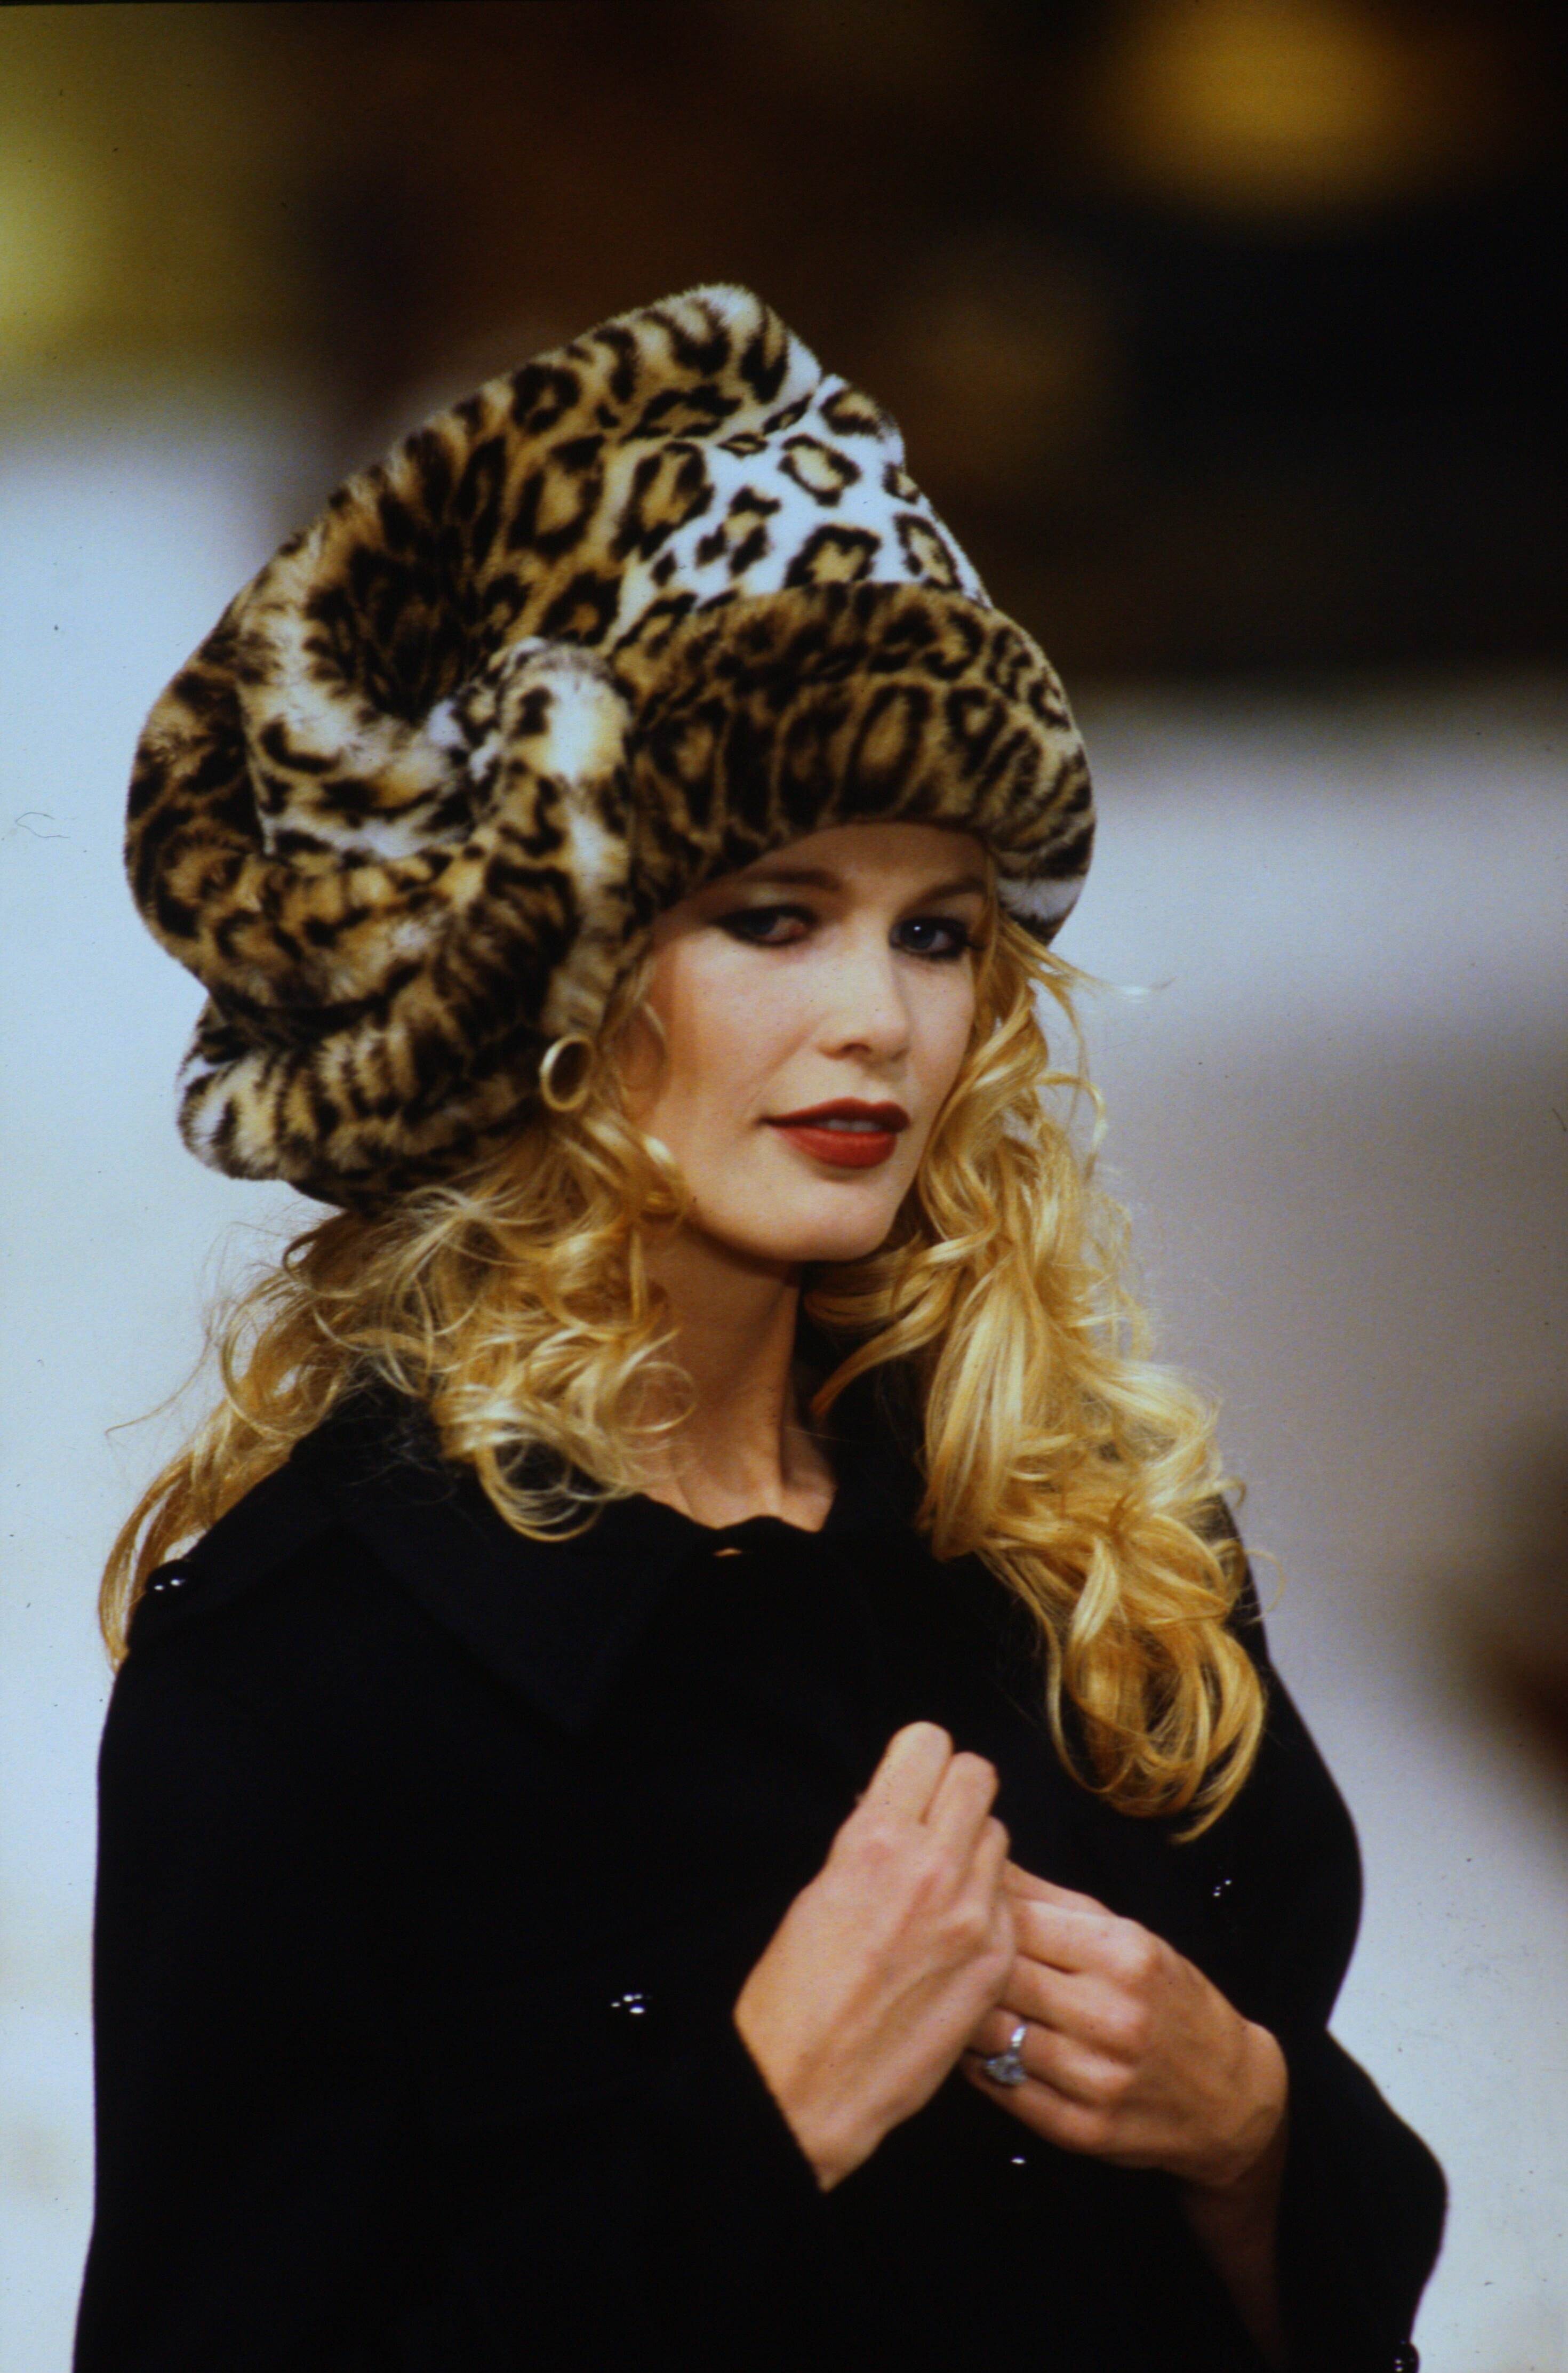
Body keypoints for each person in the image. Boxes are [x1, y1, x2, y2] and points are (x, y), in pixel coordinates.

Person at [77, 286, 1444, 2371]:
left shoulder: (1081, 1538)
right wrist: (763, 2118)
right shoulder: (307, 1676)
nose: (878, 1019)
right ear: (548, 976)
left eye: (938, 931)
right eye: (771, 916)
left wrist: (1256, 2136)